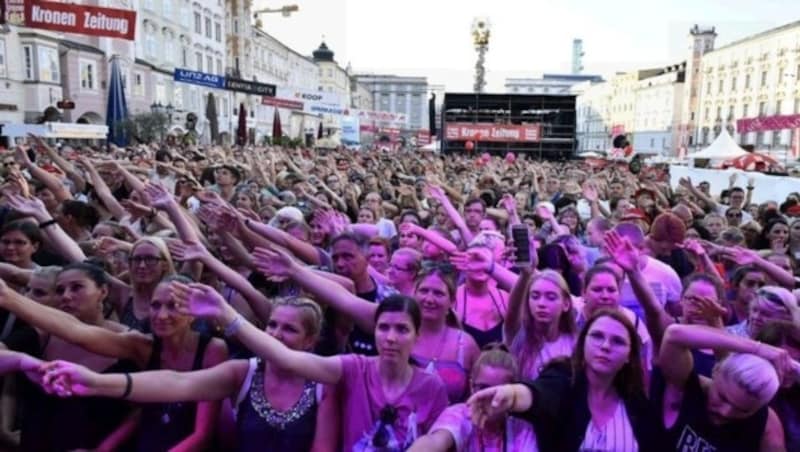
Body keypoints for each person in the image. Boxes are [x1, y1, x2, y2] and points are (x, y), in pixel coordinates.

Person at [169, 282, 449, 451]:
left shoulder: (432, 387)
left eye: (402, 329)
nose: (390, 338)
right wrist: (227, 315)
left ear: (417, 336)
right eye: (383, 327)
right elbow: (285, 357)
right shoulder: (354, 368)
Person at [38, 297, 338, 452]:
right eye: (272, 325)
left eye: (289, 329)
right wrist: (97, 382)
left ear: (310, 340)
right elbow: (178, 382)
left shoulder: (325, 383)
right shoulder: (243, 372)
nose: (276, 334)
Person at [254, 247, 479, 403]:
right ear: (414, 292)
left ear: (452, 301)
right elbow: (342, 298)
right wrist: (295, 270)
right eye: (424, 291)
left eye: (438, 293)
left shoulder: (465, 345)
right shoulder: (391, 322)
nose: (429, 299)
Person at [466, 309, 663, 452]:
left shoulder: (637, 404)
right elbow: (542, 393)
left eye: (618, 341)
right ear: (582, 343)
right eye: (596, 336)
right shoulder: (564, 377)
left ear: (630, 354)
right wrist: (511, 395)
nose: (605, 346)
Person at [652, 323, 790, 451]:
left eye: (743, 411)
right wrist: (757, 348)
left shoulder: (766, 424)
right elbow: (674, 334)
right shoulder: (684, 386)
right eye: (722, 397)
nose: (726, 412)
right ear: (715, 371)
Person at [408, 345, 539, 451]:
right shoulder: (460, 415)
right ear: (471, 386)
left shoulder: (522, 429)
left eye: (498, 391)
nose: (489, 398)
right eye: (483, 388)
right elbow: (435, 441)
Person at [505, 268, 576, 379]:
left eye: (551, 297)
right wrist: (525, 274)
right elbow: (513, 312)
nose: (541, 304)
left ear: (566, 304)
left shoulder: (575, 342)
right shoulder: (520, 335)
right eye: (535, 297)